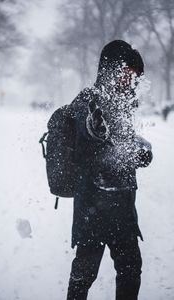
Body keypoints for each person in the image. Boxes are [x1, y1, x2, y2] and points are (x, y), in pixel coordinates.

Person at [66, 40, 153, 300]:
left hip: (123, 211)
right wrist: (95, 129)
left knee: (130, 270)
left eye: (135, 75)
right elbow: (87, 138)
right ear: (111, 68)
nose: (132, 79)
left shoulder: (124, 104)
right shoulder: (89, 101)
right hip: (94, 210)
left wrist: (141, 151)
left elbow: (124, 148)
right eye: (128, 72)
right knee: (84, 274)